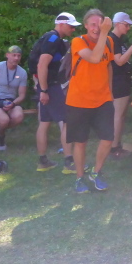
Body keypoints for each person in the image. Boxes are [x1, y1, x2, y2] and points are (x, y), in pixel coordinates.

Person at [65, 9, 115, 194]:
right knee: (80, 142)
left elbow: (108, 65)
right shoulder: (78, 41)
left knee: (108, 138)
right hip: (79, 100)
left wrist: (110, 90)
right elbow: (94, 58)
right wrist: (104, 32)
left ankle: (96, 172)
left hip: (103, 99)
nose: (96, 28)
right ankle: (79, 177)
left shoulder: (108, 41)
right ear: (85, 25)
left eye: (100, 24)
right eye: (93, 24)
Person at [34, 12, 81, 173]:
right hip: (51, 87)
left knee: (44, 122)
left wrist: (41, 88)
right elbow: (42, 64)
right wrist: (44, 90)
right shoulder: (53, 39)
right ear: (61, 24)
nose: (73, 29)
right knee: (67, 121)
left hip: (46, 86)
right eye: (71, 26)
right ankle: (69, 163)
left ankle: (43, 162)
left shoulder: (50, 38)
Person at [109, 12, 132, 159]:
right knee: (118, 115)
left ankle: (117, 145)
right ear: (118, 24)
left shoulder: (118, 40)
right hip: (117, 81)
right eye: (126, 25)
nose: (128, 28)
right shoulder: (112, 40)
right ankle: (114, 148)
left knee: (121, 115)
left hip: (122, 80)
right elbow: (120, 61)